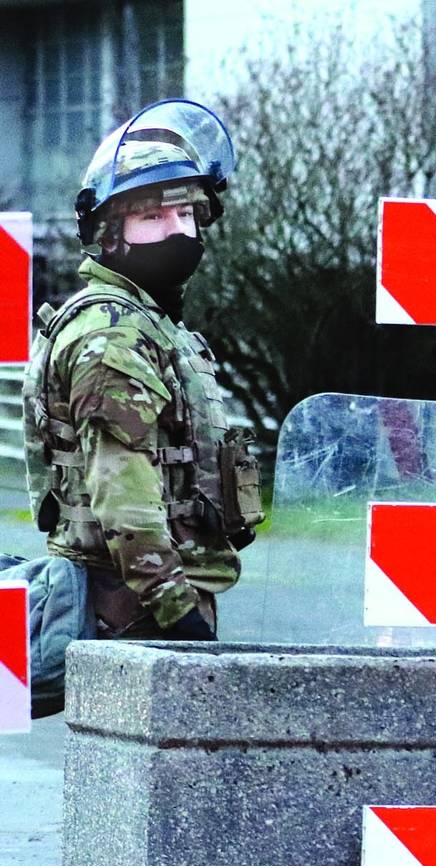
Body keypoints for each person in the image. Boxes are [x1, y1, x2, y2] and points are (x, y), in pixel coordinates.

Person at [22, 99, 259, 643]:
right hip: (131, 605)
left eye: (185, 215)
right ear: (110, 234)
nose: (178, 230)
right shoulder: (113, 335)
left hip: (141, 597)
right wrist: (177, 611)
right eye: (153, 216)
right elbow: (119, 488)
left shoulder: (148, 321)